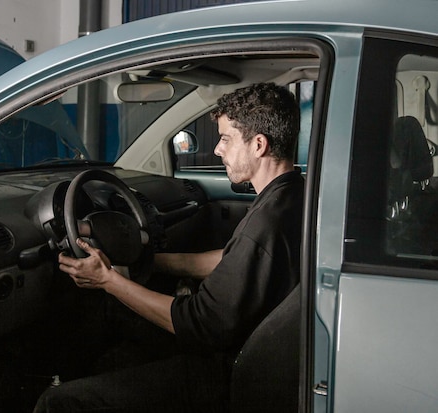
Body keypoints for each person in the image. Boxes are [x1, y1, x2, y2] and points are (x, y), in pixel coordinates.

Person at [33, 82, 304, 413]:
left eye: (226, 139)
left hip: (223, 372)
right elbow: (228, 261)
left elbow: (198, 323)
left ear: (259, 145)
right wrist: (150, 262)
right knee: (112, 314)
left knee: (59, 403)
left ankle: (58, 389)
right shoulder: (292, 197)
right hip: (242, 351)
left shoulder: (265, 225)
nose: (218, 150)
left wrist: (108, 281)